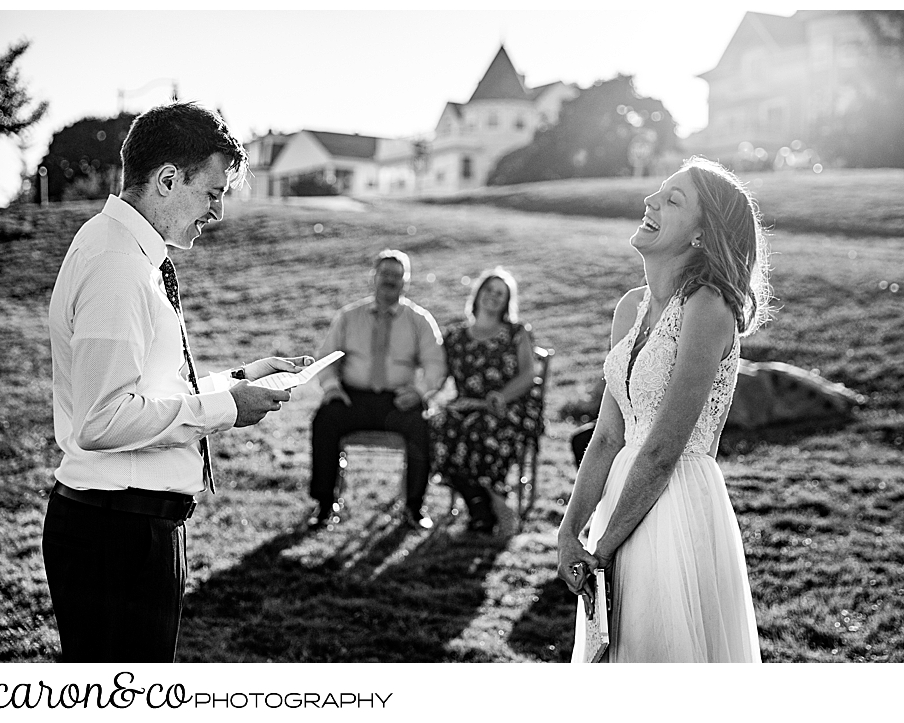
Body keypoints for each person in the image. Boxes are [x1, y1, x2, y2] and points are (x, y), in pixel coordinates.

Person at [42, 102, 311, 663]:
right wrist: (223, 409)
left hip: (131, 527)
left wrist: (238, 381)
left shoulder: (132, 254)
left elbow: (147, 393)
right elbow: (102, 419)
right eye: (212, 192)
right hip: (113, 537)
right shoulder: (116, 262)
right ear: (168, 179)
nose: (216, 212)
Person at [557, 156, 771, 662]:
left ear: (702, 234)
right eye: (658, 191)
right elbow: (609, 437)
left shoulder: (708, 307)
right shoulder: (630, 307)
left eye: (673, 200)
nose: (651, 200)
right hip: (618, 501)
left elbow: (663, 449)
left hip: (672, 504)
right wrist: (571, 533)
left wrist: (602, 551)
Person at [310, 249, 446, 530]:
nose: (390, 280)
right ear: (374, 277)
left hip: (398, 401)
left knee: (423, 425)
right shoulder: (349, 316)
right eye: (385, 274)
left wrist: (420, 392)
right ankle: (325, 504)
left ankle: (414, 507)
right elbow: (325, 358)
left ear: (406, 281)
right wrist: (332, 388)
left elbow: (436, 365)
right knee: (324, 420)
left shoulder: (419, 320)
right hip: (352, 398)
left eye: (397, 275)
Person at [430, 267, 541, 533]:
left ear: (506, 301)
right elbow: (439, 377)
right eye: (489, 290)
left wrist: (499, 396)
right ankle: (487, 507)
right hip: (467, 405)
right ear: (478, 293)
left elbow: (528, 374)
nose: (493, 296)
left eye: (500, 294)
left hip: (509, 405)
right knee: (437, 425)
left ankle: (487, 508)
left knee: (481, 427)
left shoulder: (516, 332)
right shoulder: (455, 336)